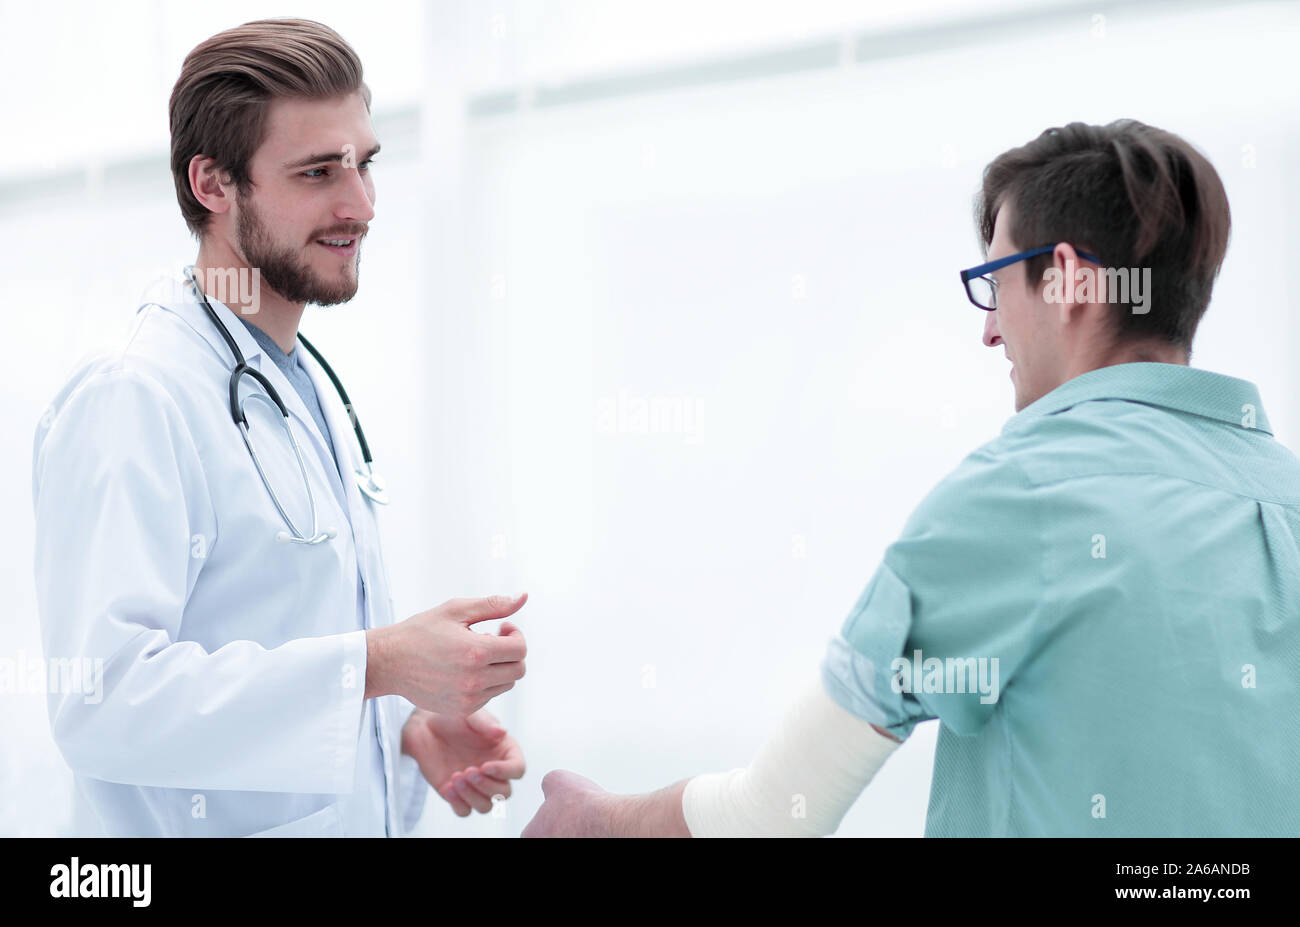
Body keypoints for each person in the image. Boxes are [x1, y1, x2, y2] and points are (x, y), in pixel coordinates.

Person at [523, 119, 1300, 837]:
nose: (990, 327)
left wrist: (596, 818)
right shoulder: (1288, 504)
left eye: (996, 282)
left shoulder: (1022, 496)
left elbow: (774, 813)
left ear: (1064, 279)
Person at [31, 18, 527, 837]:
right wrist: (379, 665)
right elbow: (102, 701)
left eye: (365, 164)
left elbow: (273, 634)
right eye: (318, 172)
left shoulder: (298, 384)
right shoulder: (135, 396)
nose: (361, 206)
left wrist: (399, 733)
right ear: (214, 184)